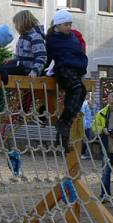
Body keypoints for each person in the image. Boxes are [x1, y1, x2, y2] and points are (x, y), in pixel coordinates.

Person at [44, 10, 89, 144]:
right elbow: (48, 57)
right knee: (75, 88)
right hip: (64, 69)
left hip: (76, 69)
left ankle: (66, 122)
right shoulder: (52, 40)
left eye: (70, 24)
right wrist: (41, 69)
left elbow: (79, 51)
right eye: (66, 24)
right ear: (57, 25)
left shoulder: (72, 37)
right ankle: (64, 122)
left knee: (82, 91)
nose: (69, 27)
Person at [0, 10, 47, 78]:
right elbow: (19, 57)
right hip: (21, 67)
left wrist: (35, 71)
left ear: (22, 23)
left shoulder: (35, 37)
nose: (15, 27)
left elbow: (41, 57)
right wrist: (10, 59)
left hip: (28, 71)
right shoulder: (22, 37)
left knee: (2, 71)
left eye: (16, 24)